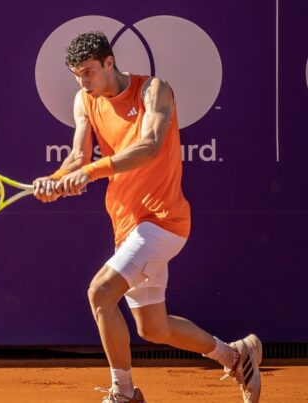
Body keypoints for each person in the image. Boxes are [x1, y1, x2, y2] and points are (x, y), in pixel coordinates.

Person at [32, 31, 262, 403]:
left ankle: (123, 393)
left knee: (100, 293)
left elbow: (151, 146)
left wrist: (91, 172)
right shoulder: (83, 101)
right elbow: (78, 155)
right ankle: (235, 356)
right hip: (126, 223)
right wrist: (56, 181)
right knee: (153, 328)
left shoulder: (153, 90)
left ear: (110, 62)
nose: (83, 82)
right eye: (77, 74)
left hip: (162, 220)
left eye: (89, 72)